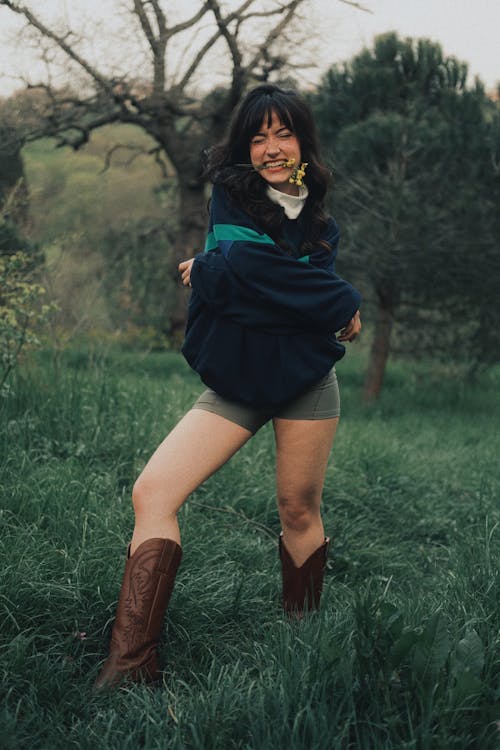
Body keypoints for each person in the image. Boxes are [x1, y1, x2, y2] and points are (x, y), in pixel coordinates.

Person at [94, 84, 361, 690]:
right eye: (258, 135)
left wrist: (220, 272)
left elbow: (266, 286)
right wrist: (329, 298)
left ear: (302, 142)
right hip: (238, 381)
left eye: (283, 133)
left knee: (298, 508)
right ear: (245, 146)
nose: (271, 147)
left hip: (307, 381)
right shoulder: (231, 197)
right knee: (153, 493)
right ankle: (131, 666)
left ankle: (303, 645)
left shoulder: (321, 221)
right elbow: (261, 277)